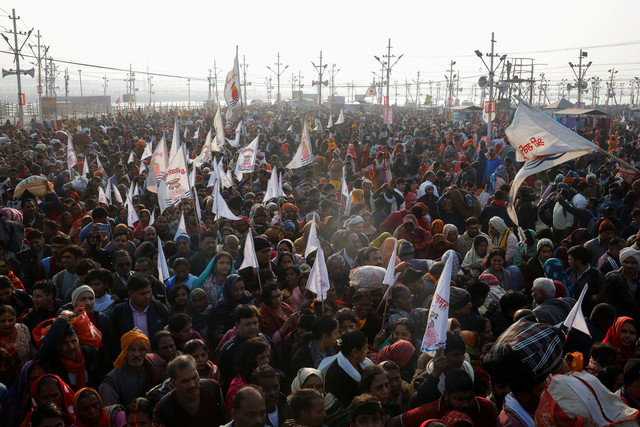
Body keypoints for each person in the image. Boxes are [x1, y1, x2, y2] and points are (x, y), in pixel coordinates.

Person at [388, 369, 496, 427]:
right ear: (446, 395)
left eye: (470, 399)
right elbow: (393, 423)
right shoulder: (430, 411)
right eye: (459, 400)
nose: (466, 404)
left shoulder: (485, 407)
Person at [154, 355, 226, 427]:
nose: (192, 385)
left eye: (194, 377)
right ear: (173, 382)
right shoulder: (164, 407)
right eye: (185, 381)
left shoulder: (212, 388)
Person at [99, 329, 163, 407]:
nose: (137, 354)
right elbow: (111, 413)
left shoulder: (153, 366)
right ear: (124, 352)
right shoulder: (110, 382)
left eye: (141, 349)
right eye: (132, 349)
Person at [109, 275, 170, 339]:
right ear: (130, 293)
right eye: (142, 294)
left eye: (149, 292)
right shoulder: (118, 311)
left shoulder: (159, 308)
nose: (147, 296)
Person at [225, 337, 271, 417]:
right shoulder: (238, 388)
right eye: (261, 358)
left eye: (267, 357)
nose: (266, 361)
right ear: (250, 360)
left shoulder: (264, 378)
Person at [324, 330, 370, 407]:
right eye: (365, 348)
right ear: (355, 352)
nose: (368, 351)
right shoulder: (338, 376)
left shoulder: (360, 364)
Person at [289, 316, 339, 380]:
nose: (338, 335)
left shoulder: (333, 350)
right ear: (325, 336)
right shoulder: (304, 355)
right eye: (335, 333)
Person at [210, 275, 258, 339]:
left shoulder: (250, 300)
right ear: (229, 289)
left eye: (242, 288)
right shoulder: (220, 307)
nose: (239, 292)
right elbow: (216, 334)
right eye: (235, 289)